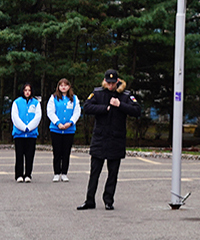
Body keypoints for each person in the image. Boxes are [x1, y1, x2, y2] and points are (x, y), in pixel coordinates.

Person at [77, 70, 139, 210]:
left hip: (116, 139)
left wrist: (120, 105)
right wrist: (105, 108)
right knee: (94, 172)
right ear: (105, 81)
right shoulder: (98, 93)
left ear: (117, 82)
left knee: (113, 173)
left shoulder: (125, 95)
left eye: (113, 83)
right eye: (108, 83)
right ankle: (89, 200)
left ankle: (108, 200)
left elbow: (137, 111)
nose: (110, 86)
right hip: (100, 138)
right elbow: (87, 107)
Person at [45, 78, 80, 182]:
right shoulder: (54, 98)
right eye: (61, 85)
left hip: (69, 130)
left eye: (65, 85)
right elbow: (50, 112)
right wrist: (58, 123)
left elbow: (77, 112)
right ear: (58, 87)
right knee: (57, 152)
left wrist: (70, 122)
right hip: (56, 130)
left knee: (66, 152)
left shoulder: (74, 98)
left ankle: (64, 173)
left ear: (69, 86)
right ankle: (56, 173)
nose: (63, 87)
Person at [8, 82, 40, 182]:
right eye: (25, 90)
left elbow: (38, 116)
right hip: (19, 133)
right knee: (19, 155)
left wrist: (29, 127)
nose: (27, 92)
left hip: (31, 134)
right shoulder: (16, 102)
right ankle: (19, 175)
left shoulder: (36, 103)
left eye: (29, 90)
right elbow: (15, 117)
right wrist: (23, 127)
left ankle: (28, 175)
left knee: (30, 155)